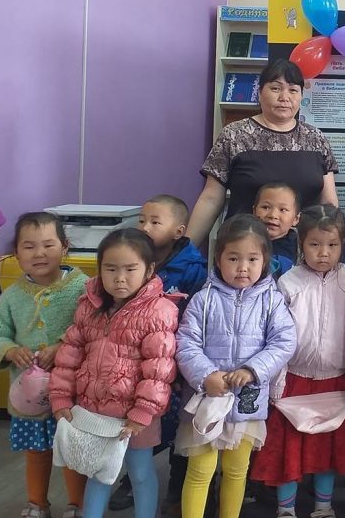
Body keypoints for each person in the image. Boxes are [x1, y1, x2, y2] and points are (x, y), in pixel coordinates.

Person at [48, 229, 180, 518]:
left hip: (135, 417)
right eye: (110, 269)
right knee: (98, 473)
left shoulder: (159, 311)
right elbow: (69, 355)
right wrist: (60, 397)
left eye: (130, 269)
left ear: (149, 270)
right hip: (95, 412)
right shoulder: (89, 305)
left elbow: (159, 369)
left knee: (140, 472)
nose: (119, 278)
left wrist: (142, 412)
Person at [175, 215, 297, 518]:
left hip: (247, 401)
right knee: (200, 470)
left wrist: (253, 370)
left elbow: (284, 341)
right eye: (233, 258)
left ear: (265, 261)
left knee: (236, 469)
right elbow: (186, 343)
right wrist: (206, 375)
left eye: (252, 259)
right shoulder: (203, 299)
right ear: (218, 259)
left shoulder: (272, 301)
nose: (243, 267)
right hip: (207, 400)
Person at [251, 205, 345, 518]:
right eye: (315, 244)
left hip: (337, 381)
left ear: (343, 245)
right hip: (294, 380)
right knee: (289, 451)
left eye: (332, 245)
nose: (323, 253)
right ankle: (285, 509)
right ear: (301, 244)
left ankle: (323, 507)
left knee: (327, 451)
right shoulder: (288, 283)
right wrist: (276, 382)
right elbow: (275, 337)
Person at [0, 212, 90, 518]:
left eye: (48, 245)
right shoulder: (12, 296)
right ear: (16, 253)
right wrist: (10, 350)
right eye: (29, 247)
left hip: (73, 392)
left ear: (65, 247)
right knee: (36, 450)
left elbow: (93, 328)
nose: (39, 253)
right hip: (29, 396)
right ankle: (37, 503)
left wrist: (63, 346)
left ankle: (78, 505)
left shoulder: (84, 287)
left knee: (72, 450)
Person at [110, 194, 208, 512]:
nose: (145, 227)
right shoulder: (133, 259)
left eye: (155, 222)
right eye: (142, 220)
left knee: (181, 423)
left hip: (180, 356)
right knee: (140, 419)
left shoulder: (194, 268)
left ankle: (178, 482)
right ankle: (132, 478)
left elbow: (198, 315)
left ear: (178, 231)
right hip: (140, 357)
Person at [187, 59, 339, 246]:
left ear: (301, 96)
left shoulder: (316, 138)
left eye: (293, 90)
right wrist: (186, 251)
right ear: (259, 93)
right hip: (242, 248)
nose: (284, 97)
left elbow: (328, 203)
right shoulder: (234, 135)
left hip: (302, 251)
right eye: (275, 88)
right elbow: (211, 199)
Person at [253, 182, 301, 276]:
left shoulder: (302, 245)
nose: (273, 215)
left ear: (295, 219)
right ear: (254, 211)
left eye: (283, 210)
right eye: (266, 207)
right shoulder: (241, 240)